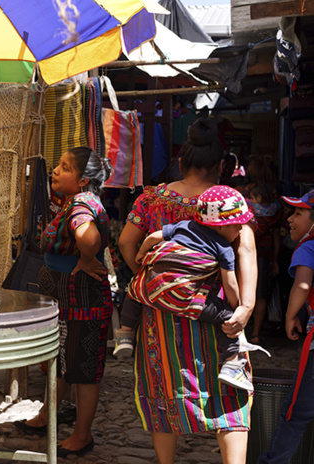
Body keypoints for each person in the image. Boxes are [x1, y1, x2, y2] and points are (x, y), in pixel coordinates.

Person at [118, 118, 257, 464]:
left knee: (164, 388)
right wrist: (247, 307)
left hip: (161, 323)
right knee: (231, 389)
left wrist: (156, 282)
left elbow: (125, 241)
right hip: (217, 315)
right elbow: (246, 249)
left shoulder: (152, 199)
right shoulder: (228, 202)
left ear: (181, 161)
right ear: (221, 165)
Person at [13, 146, 112, 458]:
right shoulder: (74, 201)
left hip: (82, 296)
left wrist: (86, 257)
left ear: (82, 181)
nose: (55, 170)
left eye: (65, 167)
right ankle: (46, 416)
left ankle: (82, 435)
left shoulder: (82, 203)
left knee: (83, 365)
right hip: (67, 296)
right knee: (64, 359)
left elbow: (89, 238)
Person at [114, 186, 262, 391]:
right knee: (225, 317)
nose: (241, 230)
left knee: (134, 291)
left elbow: (154, 237)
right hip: (185, 298)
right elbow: (230, 283)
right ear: (220, 226)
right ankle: (232, 363)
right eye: (238, 225)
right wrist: (237, 307)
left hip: (152, 286)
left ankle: (125, 335)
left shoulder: (183, 226)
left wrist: (141, 254)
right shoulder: (224, 248)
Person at [258, 190, 314, 463]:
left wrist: (291, 315)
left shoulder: (308, 247)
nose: (290, 219)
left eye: (299, 213)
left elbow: (302, 285)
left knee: (295, 412)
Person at [240, 156, 283, 344]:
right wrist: (275, 261)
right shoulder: (275, 200)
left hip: (241, 249)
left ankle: (237, 331)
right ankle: (256, 333)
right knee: (261, 294)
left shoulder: (243, 194)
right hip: (264, 253)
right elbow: (276, 235)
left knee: (240, 290)